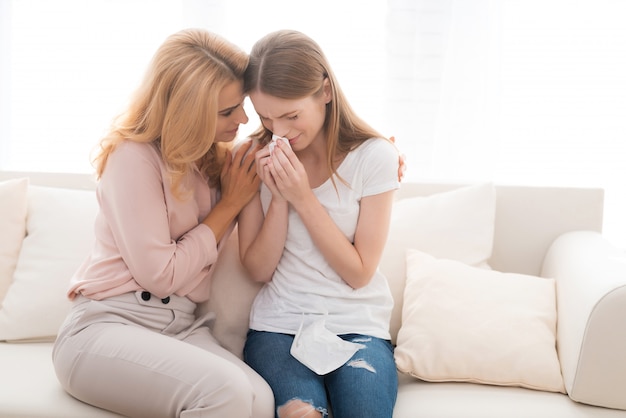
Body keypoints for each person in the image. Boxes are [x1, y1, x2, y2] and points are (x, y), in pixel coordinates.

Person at [52, 28, 274, 418]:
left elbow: (294, 141)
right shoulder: (132, 157)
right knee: (226, 393)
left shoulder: (213, 162)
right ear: (186, 111)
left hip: (178, 328)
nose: (242, 118)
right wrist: (231, 205)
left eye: (240, 106)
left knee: (260, 400)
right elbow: (161, 275)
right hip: (106, 327)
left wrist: (372, 151)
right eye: (226, 111)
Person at [238, 30, 400, 418]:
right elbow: (259, 269)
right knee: (302, 414)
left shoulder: (374, 158)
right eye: (266, 117)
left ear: (325, 91)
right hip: (279, 327)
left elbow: (359, 273)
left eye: (292, 115)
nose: (280, 131)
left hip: (358, 325)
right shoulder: (251, 158)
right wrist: (278, 197)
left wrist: (303, 198)